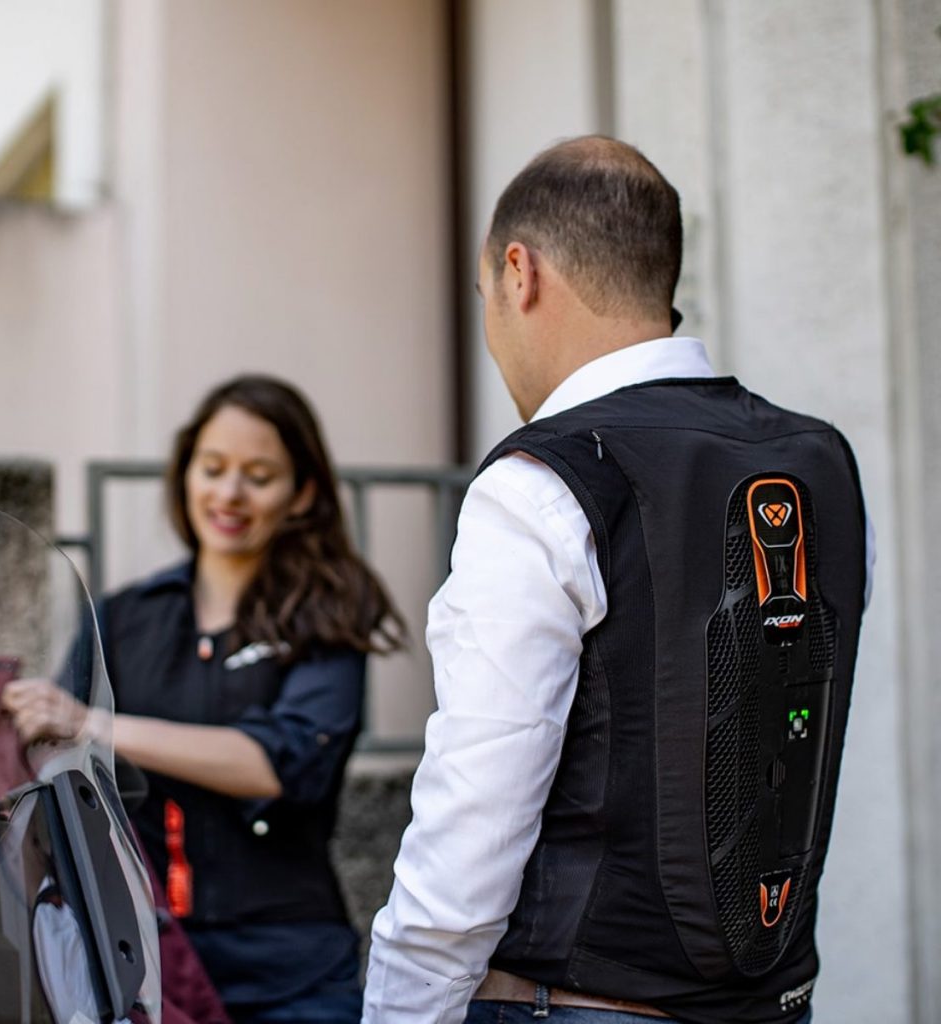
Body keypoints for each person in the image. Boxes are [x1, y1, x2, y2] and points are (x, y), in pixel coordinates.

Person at [362, 136, 873, 1024]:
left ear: (519, 274)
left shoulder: (541, 483)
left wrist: (399, 1010)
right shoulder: (823, 462)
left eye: (485, 297)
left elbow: (473, 820)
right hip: (773, 1003)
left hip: (575, 1003)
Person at [4, 374, 405, 1024]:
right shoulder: (125, 615)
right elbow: (51, 764)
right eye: (212, 468)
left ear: (302, 494)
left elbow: (282, 762)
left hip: (290, 966)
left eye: (259, 475)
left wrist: (93, 723)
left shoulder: (330, 616)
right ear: (185, 473)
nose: (229, 493)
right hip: (143, 953)